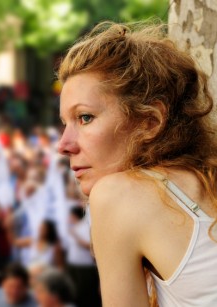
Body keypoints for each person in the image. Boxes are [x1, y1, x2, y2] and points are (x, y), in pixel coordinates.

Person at [57, 21, 217, 306]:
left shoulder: (116, 195)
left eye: (85, 118)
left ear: (149, 122)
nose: (64, 145)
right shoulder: (204, 180)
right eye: (65, 123)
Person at [65, 206, 100, 307]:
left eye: (70, 215)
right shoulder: (74, 227)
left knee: (85, 294)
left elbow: (89, 246)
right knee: (75, 293)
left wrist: (75, 236)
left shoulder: (85, 227)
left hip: (85, 268)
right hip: (73, 267)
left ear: (74, 215)